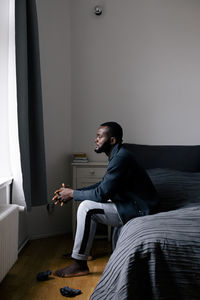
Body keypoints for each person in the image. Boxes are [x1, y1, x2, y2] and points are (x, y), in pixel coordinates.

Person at [52, 121, 159, 278]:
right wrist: (72, 191)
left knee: (86, 208)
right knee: (88, 204)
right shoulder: (118, 154)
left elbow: (101, 194)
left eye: (99, 136)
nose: (96, 139)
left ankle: (80, 264)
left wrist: (72, 194)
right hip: (128, 202)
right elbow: (103, 186)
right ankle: (83, 253)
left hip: (139, 209)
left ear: (112, 140)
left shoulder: (121, 158)